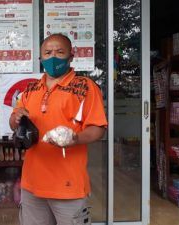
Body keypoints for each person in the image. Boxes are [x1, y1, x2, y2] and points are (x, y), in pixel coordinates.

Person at [9, 33, 107, 225]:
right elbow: (14, 124)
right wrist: (16, 117)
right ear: (41, 59)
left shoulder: (85, 87)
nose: (53, 57)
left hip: (68, 186)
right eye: (47, 52)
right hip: (32, 184)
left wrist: (75, 139)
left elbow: (98, 128)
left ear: (71, 56)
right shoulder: (30, 90)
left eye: (60, 52)